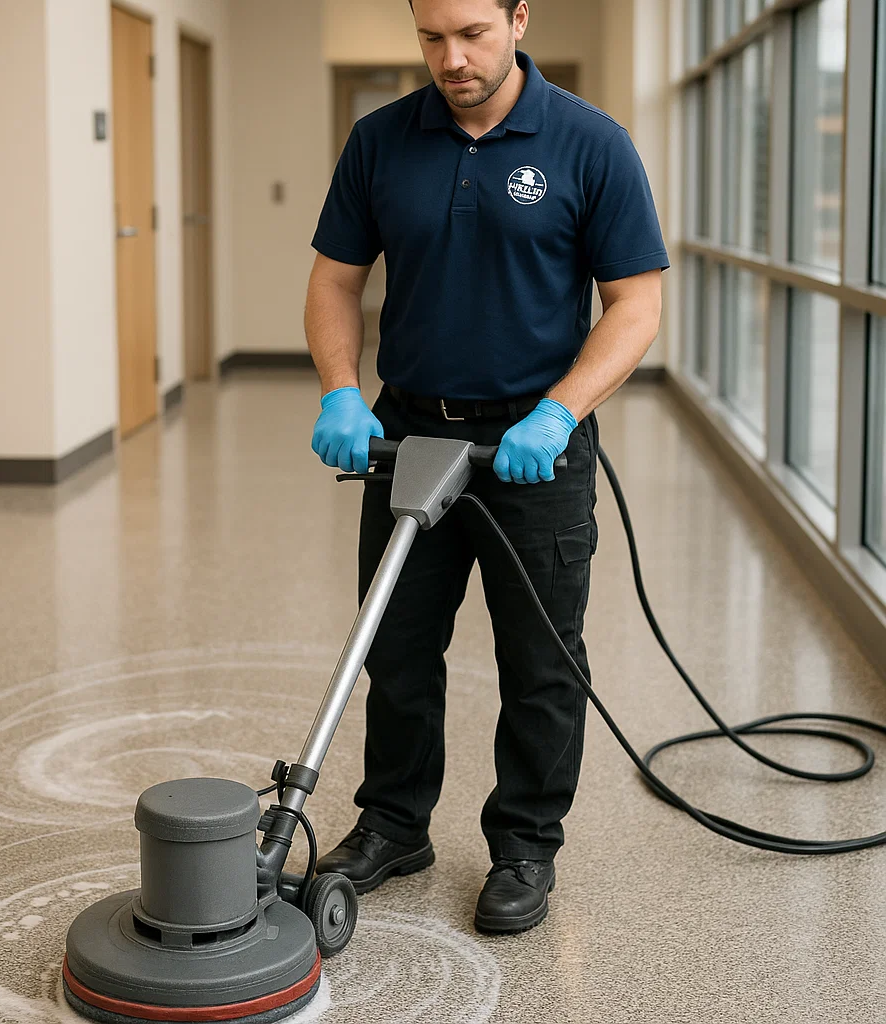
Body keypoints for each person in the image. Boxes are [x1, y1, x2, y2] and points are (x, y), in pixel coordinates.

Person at [304, 0, 668, 935]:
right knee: (397, 649)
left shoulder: (592, 143)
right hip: (410, 435)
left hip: (532, 448)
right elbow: (336, 278)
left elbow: (634, 303)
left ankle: (524, 846)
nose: (451, 58)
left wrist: (559, 413)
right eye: (431, 37)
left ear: (518, 17)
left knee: (542, 661)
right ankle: (393, 823)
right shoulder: (381, 140)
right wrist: (341, 389)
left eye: (472, 33)